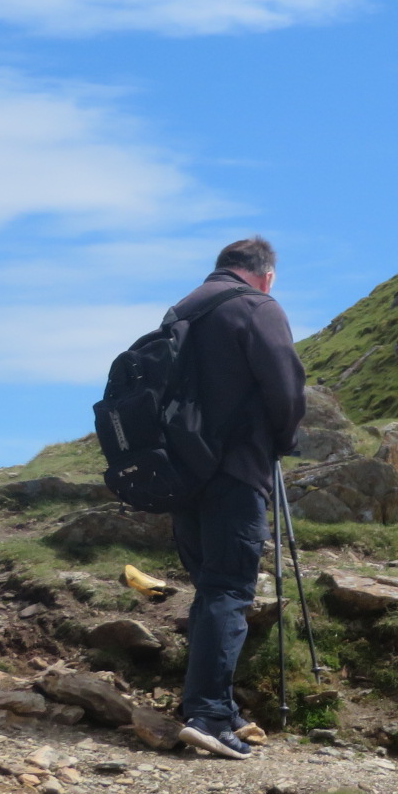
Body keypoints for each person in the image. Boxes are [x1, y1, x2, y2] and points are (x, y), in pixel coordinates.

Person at [168, 237, 306, 760]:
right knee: (229, 589)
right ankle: (206, 713)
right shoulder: (257, 307)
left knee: (210, 587)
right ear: (265, 274)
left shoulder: (182, 310)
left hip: (182, 474)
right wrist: (283, 440)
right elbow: (286, 386)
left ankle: (215, 707)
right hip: (235, 470)